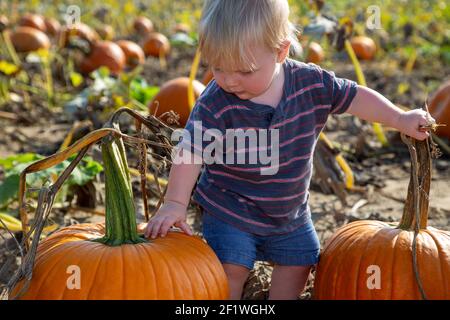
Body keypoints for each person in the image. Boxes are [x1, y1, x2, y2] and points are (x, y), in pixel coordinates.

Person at [144, 0, 434, 300]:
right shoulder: (215, 102)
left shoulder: (311, 85)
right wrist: (175, 203)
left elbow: (355, 97)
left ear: (280, 51)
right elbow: (190, 151)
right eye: (217, 67)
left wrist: (399, 118)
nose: (229, 80)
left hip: (290, 214)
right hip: (230, 208)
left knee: (301, 261)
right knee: (231, 268)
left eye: (245, 70)